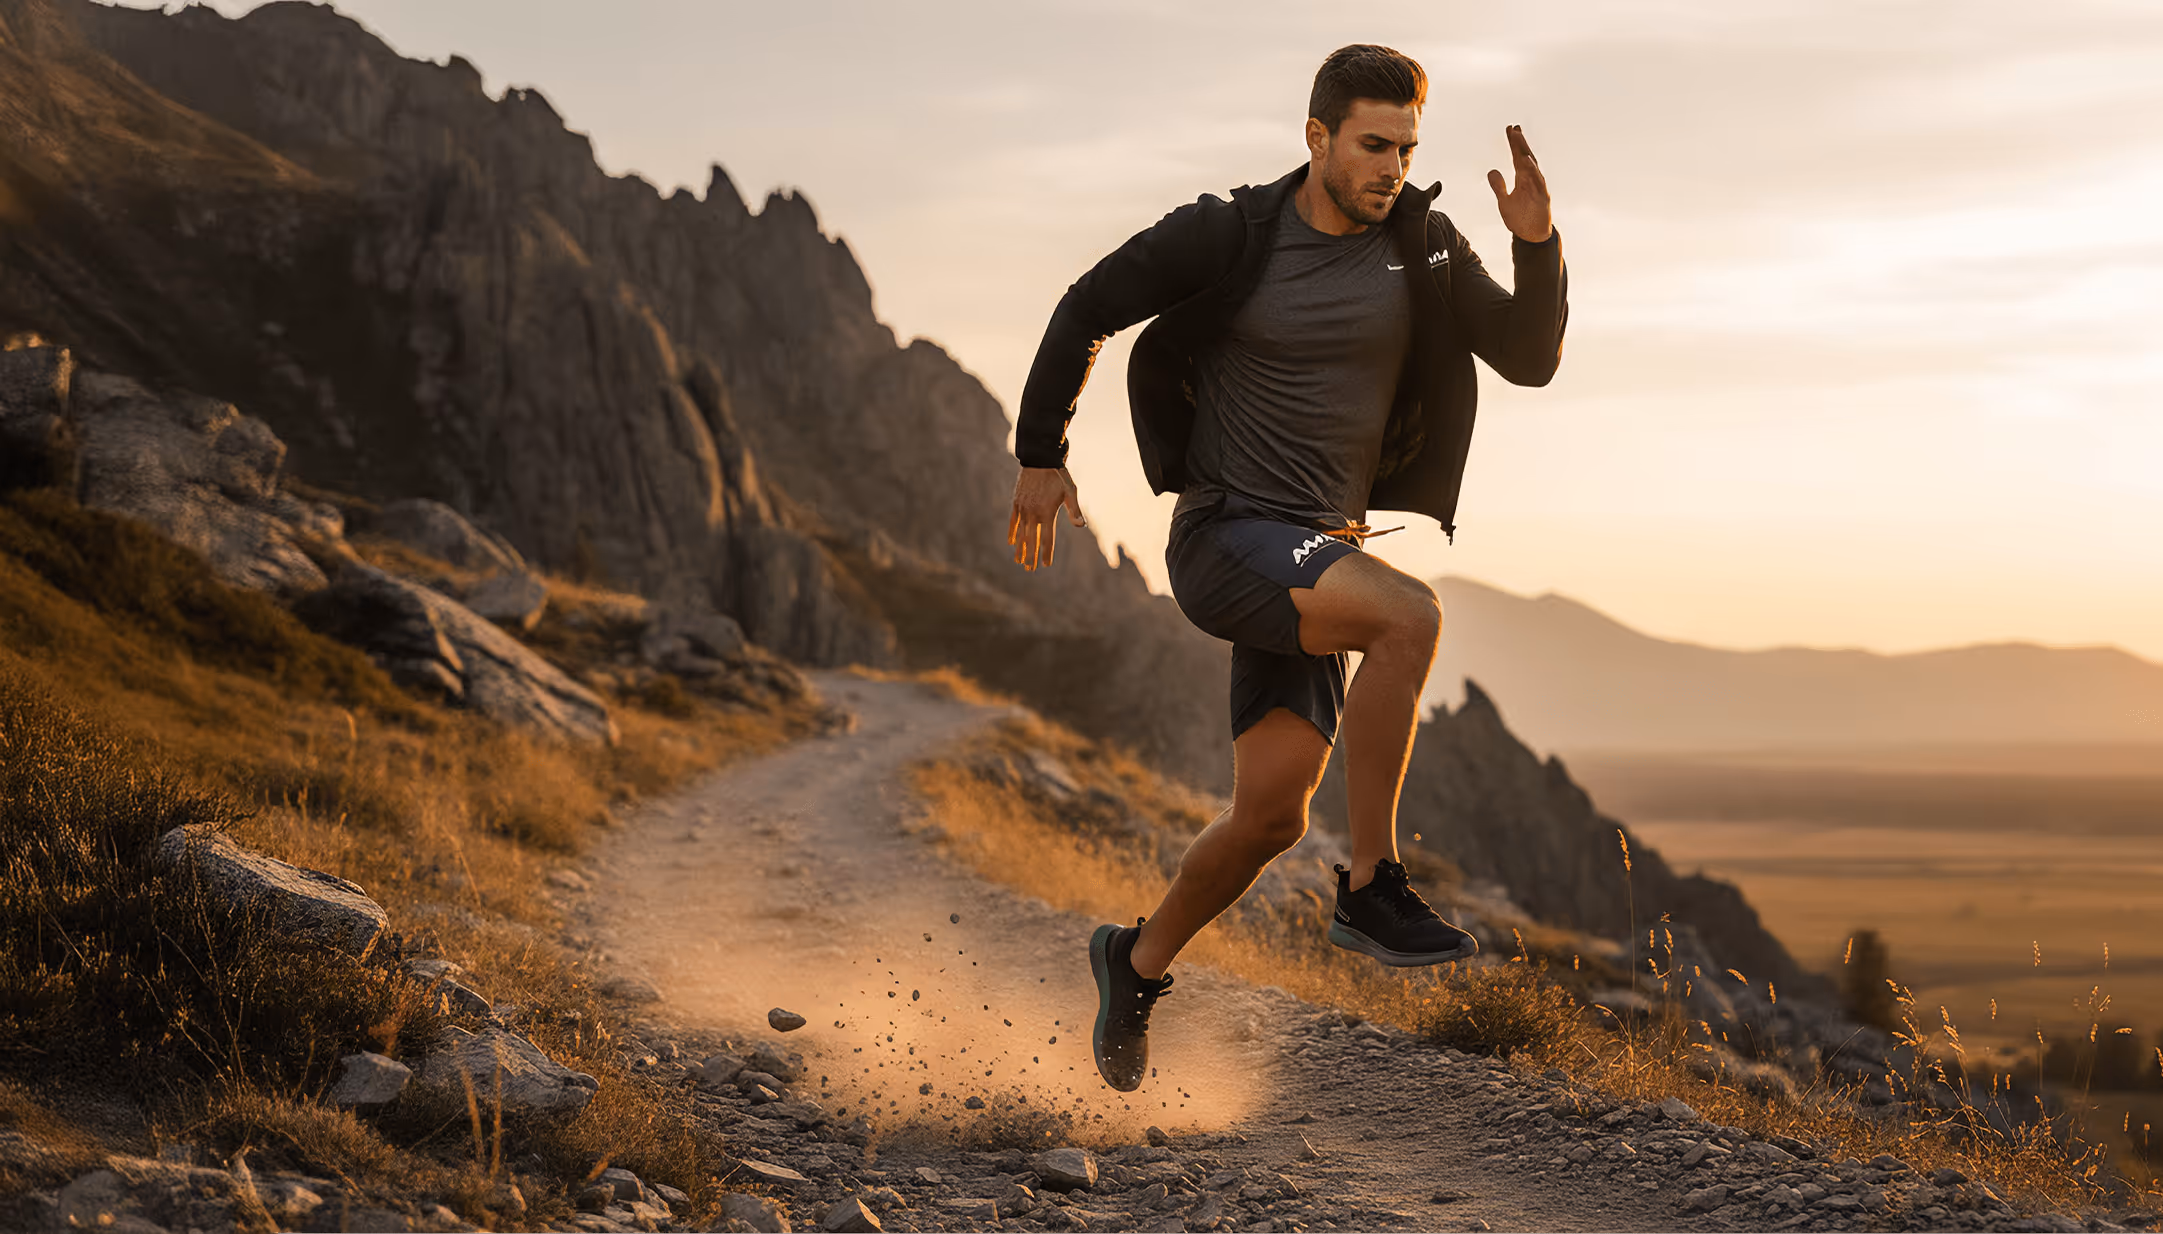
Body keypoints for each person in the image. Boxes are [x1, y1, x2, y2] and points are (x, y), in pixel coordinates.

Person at [1006, 44, 1568, 1092]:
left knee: (1271, 815)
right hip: (1226, 536)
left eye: (1406, 148)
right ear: (1317, 137)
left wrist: (1536, 245)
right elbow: (1089, 303)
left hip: (1320, 555)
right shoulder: (1232, 232)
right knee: (1412, 618)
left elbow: (1528, 355)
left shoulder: (1426, 246)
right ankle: (1371, 885)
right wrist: (1042, 453)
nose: (1391, 167)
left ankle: (1131, 965)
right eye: (1371, 145)